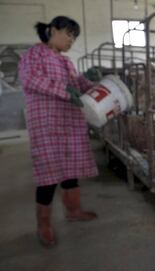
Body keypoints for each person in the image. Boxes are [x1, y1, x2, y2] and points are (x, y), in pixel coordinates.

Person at [18, 16, 100, 247]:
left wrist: (89, 80)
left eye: (75, 37)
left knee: (70, 169)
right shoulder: (34, 54)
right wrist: (64, 90)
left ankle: (73, 211)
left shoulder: (66, 62)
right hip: (47, 123)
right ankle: (43, 225)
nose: (71, 40)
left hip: (69, 121)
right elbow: (30, 79)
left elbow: (77, 88)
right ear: (53, 30)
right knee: (48, 175)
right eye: (68, 34)